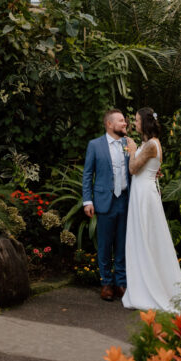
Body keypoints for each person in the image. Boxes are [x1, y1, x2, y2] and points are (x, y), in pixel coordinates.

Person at [122, 106, 181, 313]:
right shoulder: (149, 144)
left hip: (144, 195)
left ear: (144, 123)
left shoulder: (151, 145)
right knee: (141, 237)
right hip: (141, 192)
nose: (134, 123)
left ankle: (150, 288)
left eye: (136, 120)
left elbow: (134, 169)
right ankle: (141, 284)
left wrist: (133, 151)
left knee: (147, 238)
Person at [82, 108, 131, 301]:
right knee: (104, 245)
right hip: (104, 202)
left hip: (125, 200)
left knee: (122, 244)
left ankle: (121, 283)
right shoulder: (95, 145)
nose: (125, 123)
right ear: (109, 124)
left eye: (125, 121)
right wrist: (87, 200)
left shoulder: (129, 144)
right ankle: (106, 283)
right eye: (121, 121)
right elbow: (87, 174)